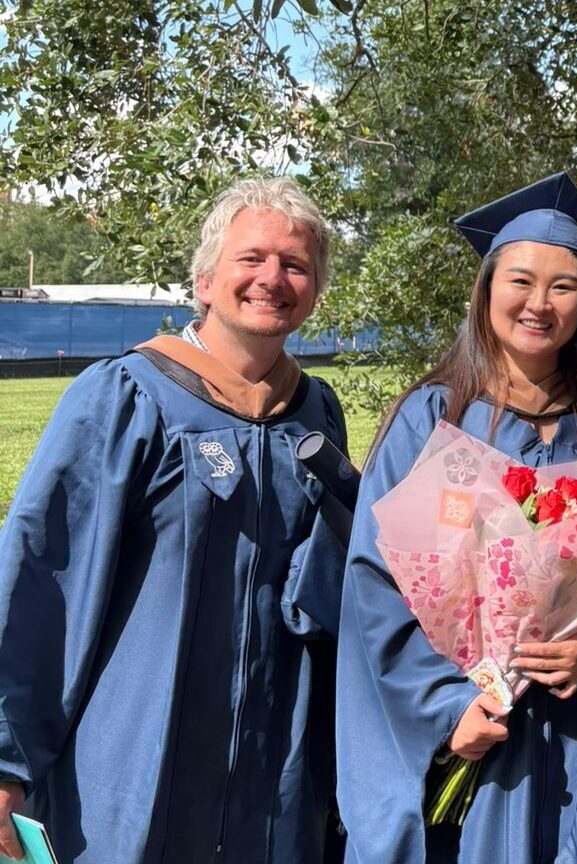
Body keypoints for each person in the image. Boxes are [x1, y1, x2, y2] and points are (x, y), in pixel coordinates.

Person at [0, 178, 347, 862]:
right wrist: (7, 759)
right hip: (130, 762)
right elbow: (44, 575)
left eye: (296, 265)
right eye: (252, 259)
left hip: (274, 773)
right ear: (206, 279)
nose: (272, 278)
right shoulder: (129, 395)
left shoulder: (315, 413)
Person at [335, 173, 577, 864]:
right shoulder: (432, 419)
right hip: (469, 737)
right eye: (519, 280)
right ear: (486, 293)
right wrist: (445, 707)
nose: (539, 304)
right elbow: (377, 583)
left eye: (564, 286)